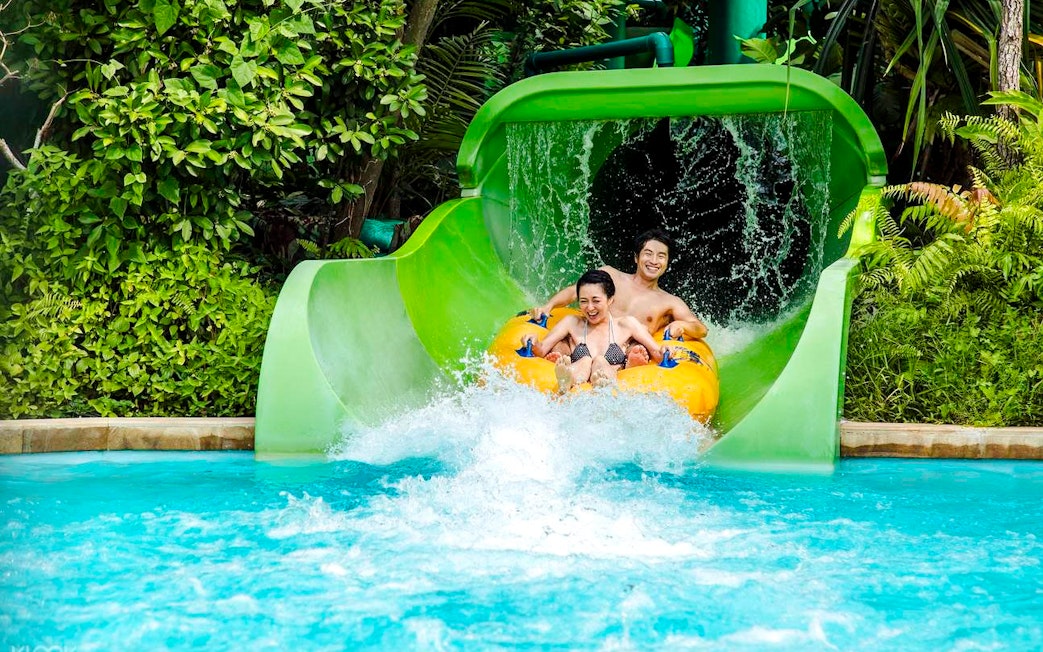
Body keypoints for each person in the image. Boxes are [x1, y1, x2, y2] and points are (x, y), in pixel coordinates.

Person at [532, 229, 708, 366]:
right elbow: (574, 292)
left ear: (667, 263)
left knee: (637, 349)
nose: (654, 260)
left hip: (622, 350)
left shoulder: (669, 301)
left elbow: (700, 328)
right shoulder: (610, 275)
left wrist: (682, 325)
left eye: (661, 256)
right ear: (636, 257)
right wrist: (549, 306)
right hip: (587, 339)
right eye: (648, 253)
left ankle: (630, 364)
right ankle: (560, 360)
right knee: (562, 343)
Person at [524, 270, 668, 393]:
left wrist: (666, 351)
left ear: (610, 299)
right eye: (584, 301)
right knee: (585, 360)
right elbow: (542, 349)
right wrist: (533, 341)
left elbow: (657, 352)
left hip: (612, 376)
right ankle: (568, 379)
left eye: (596, 301)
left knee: (600, 361)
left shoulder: (627, 324)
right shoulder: (572, 323)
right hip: (579, 373)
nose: (590, 307)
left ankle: (602, 382)